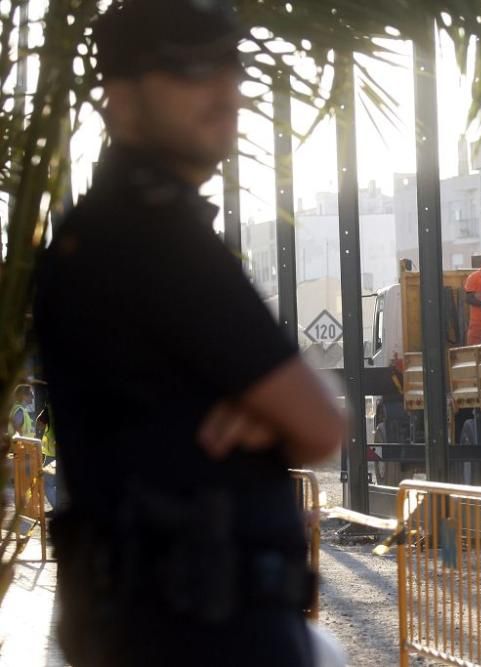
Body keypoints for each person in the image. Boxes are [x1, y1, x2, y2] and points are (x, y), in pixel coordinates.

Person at [33, 1, 348, 665]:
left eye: (230, 65)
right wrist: (273, 418)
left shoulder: (96, 232)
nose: (224, 90)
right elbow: (321, 425)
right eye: (189, 67)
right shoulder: (154, 238)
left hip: (143, 626)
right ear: (120, 100)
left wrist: (265, 412)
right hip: (200, 634)